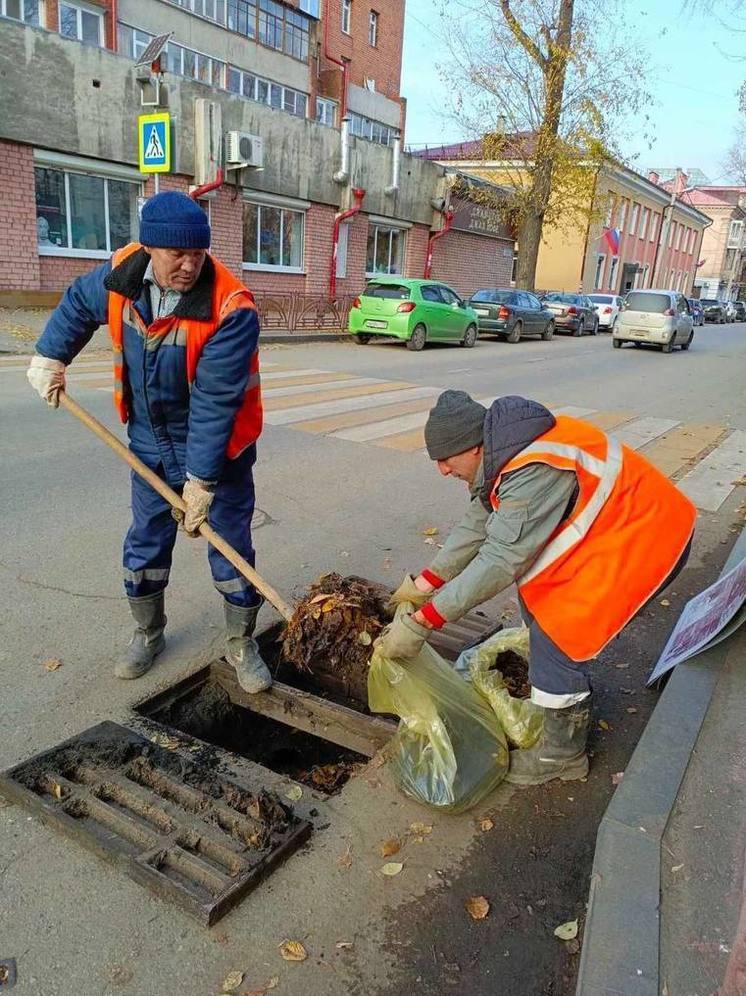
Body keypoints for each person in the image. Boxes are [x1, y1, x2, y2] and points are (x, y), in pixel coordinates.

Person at [378, 391, 696, 786]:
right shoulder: (505, 455)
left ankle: (562, 756)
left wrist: (423, 622)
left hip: (650, 538)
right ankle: (560, 691)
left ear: (474, 448)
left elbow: (499, 561)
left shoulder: (532, 469)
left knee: (558, 629)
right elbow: (478, 522)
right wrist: (425, 583)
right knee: (540, 609)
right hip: (623, 527)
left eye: (446, 460)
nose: (442, 470)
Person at [27, 191, 271, 693]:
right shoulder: (122, 276)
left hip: (217, 451)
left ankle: (242, 641)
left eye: (198, 254)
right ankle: (147, 632)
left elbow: (214, 404)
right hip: (148, 441)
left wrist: (201, 480)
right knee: (146, 543)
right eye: (176, 255)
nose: (189, 265)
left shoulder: (230, 308)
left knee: (232, 550)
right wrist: (51, 356)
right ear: (150, 249)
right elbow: (77, 302)